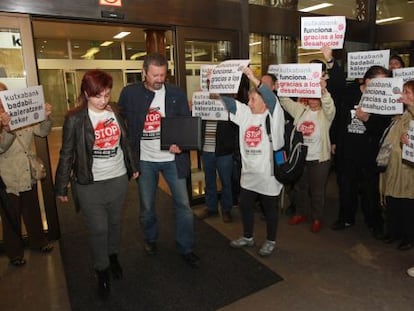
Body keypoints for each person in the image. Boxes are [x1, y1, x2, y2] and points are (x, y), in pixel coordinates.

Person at [55, 69, 139, 299]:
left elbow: (126, 142)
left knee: (114, 223)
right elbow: (66, 154)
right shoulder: (75, 119)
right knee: (99, 229)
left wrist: (133, 166)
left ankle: (112, 256)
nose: (103, 100)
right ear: (86, 93)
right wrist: (61, 186)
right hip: (88, 183)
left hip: (117, 178)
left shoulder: (116, 112)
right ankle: (101, 270)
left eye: (106, 95)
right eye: (98, 96)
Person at [118, 53, 199, 268]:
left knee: (184, 206)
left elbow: (184, 123)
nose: (159, 79)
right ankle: (150, 239)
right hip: (145, 160)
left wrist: (181, 144)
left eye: (163, 75)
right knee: (146, 207)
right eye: (155, 75)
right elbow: (120, 120)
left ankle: (186, 247)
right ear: (144, 72)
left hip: (172, 159)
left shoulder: (176, 93)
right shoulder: (129, 93)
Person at [220, 67, 285, 257]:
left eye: (253, 99)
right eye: (249, 99)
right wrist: (216, 83)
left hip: (268, 174)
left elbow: (272, 99)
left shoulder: (274, 115)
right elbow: (231, 105)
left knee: (269, 209)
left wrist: (252, 78)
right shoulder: (247, 114)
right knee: (245, 206)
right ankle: (248, 237)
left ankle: (271, 241)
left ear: (264, 102)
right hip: (249, 174)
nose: (249, 103)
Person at [332, 65, 392, 238]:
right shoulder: (349, 93)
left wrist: (368, 119)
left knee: (370, 190)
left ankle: (374, 222)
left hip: (369, 152)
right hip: (347, 149)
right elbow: (338, 118)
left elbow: (383, 128)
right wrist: (334, 140)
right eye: (379, 83)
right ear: (367, 80)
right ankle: (346, 218)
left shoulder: (383, 99)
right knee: (345, 187)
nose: (382, 87)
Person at [0, 82, 54, 267]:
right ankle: (14, 253)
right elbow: (1, 147)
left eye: (2, 95)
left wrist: (46, 117)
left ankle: (39, 241)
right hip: (7, 177)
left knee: (32, 211)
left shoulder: (22, 114)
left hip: (27, 172)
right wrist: (6, 130)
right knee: (10, 217)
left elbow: (42, 132)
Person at [279, 76, 335, 233]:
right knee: (299, 188)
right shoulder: (301, 110)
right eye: (310, 95)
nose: (312, 99)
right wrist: (282, 86)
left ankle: (317, 218)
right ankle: (299, 213)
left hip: (319, 159)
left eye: (316, 96)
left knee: (317, 191)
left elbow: (330, 106)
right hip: (301, 158)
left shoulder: (325, 115)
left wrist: (324, 91)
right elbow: (285, 101)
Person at [379, 80, 414, 251]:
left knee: (406, 202)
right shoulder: (402, 114)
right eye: (404, 91)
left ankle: (408, 237)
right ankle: (393, 232)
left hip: (407, 168)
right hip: (393, 164)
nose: (403, 95)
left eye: (408, 92)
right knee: (392, 199)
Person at [196, 114, 237, 223]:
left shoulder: (226, 108)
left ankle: (226, 210)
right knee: (209, 181)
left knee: (226, 182)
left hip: (224, 152)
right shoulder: (203, 109)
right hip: (206, 151)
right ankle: (211, 208)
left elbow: (235, 127)